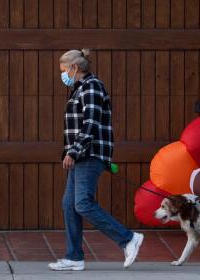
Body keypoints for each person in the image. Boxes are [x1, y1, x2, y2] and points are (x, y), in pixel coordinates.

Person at [48, 49, 143, 271]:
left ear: (75, 68)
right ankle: (74, 257)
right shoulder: (80, 88)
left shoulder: (91, 87)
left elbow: (90, 123)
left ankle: (128, 238)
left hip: (89, 154)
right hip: (82, 154)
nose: (63, 75)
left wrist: (74, 151)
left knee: (82, 203)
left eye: (64, 70)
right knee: (69, 205)